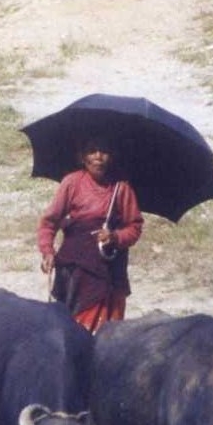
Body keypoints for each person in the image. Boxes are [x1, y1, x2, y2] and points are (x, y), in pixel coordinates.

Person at [38, 136, 143, 333]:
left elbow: (134, 227)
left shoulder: (121, 188)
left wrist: (115, 237)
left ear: (111, 157)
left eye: (103, 151)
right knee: (71, 329)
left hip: (109, 271)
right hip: (74, 269)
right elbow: (49, 222)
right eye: (92, 151)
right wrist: (47, 251)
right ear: (82, 157)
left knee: (107, 334)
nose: (98, 157)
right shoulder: (71, 182)